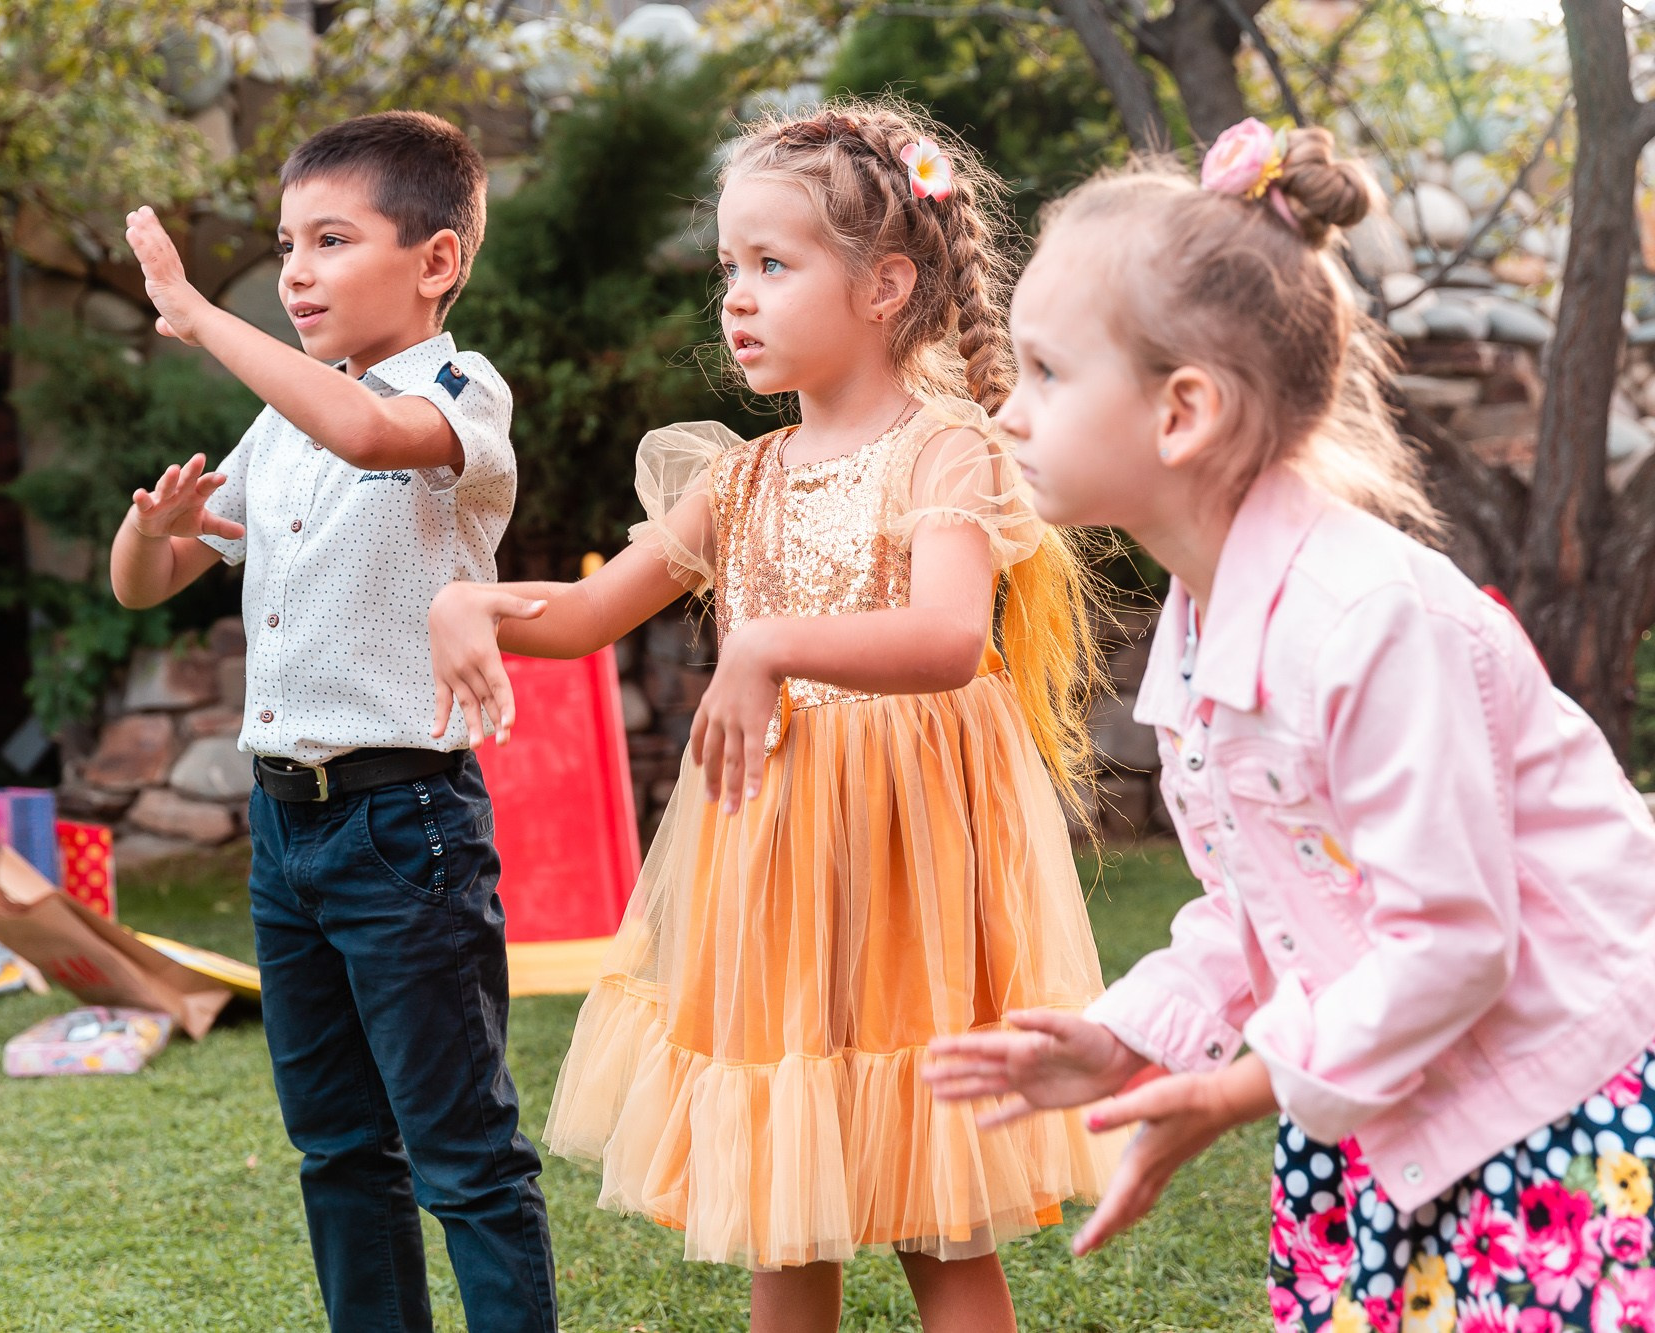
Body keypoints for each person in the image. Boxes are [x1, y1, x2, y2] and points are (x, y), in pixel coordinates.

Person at [925, 120, 1655, 1330]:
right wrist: (1129, 1037)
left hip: (1557, 1096)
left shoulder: (1365, 619)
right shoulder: (1206, 626)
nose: (1007, 412)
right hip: (1399, 1089)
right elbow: (1260, 906)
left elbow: (1452, 941)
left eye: (1045, 373)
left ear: (1182, 413)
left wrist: (1239, 1088)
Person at [428, 99, 1117, 1333]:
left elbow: (951, 640)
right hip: (775, 869)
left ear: (884, 284)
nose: (734, 299)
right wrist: (470, 604)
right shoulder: (736, 475)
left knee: (935, 1206)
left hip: (912, 870)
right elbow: (588, 615)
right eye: (727, 270)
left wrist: (771, 643)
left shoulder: (944, 450)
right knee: (780, 1194)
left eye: (771, 265)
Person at [109, 110, 555, 1333]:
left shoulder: (459, 391)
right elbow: (142, 586)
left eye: (329, 239)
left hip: (403, 825)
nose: (294, 269)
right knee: (338, 1151)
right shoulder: (280, 423)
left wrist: (198, 315)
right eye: (283, 243)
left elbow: (366, 432)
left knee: (462, 1154)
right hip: (284, 834)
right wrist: (153, 529)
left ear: (436, 260)